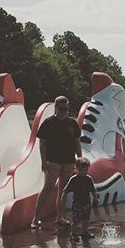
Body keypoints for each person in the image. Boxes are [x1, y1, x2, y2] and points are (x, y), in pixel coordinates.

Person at [31, 96, 82, 229]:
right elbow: (42, 144)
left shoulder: (72, 123)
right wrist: (43, 161)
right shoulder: (48, 123)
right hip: (52, 161)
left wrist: (80, 159)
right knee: (47, 188)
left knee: (64, 190)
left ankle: (60, 217)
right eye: (61, 108)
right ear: (56, 107)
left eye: (66, 109)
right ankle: (35, 219)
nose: (63, 111)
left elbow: (77, 142)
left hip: (69, 162)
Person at [59, 157, 99, 242]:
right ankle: (73, 233)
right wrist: (63, 197)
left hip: (87, 202)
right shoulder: (74, 179)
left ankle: (85, 232)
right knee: (76, 219)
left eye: (85, 170)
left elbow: (93, 190)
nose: (83, 172)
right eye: (81, 169)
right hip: (77, 203)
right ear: (76, 168)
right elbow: (66, 190)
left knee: (86, 218)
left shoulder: (88, 179)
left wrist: (96, 199)